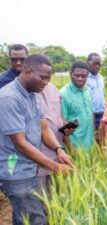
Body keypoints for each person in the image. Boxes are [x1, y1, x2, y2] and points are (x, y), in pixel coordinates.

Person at [0, 54, 74, 225]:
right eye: (43, 77)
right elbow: (20, 143)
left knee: (23, 216)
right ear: (28, 72)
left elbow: (44, 127)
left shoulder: (32, 94)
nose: (47, 82)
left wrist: (59, 149)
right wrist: (55, 167)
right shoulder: (9, 98)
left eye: (48, 78)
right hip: (15, 171)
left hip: (28, 167)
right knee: (35, 219)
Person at [36, 82, 75, 194]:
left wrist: (67, 127)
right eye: (42, 76)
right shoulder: (27, 92)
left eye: (47, 76)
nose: (44, 80)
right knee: (42, 192)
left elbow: (59, 114)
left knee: (58, 191)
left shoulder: (53, 88)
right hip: (40, 155)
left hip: (58, 150)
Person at [60, 61, 95, 151]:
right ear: (70, 74)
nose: (80, 79)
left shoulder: (88, 90)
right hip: (75, 145)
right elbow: (62, 125)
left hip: (90, 142)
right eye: (76, 75)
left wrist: (94, 134)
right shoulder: (63, 94)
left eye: (84, 76)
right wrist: (70, 149)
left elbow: (91, 113)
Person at [86, 53, 105, 131]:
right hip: (91, 114)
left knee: (102, 137)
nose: (97, 66)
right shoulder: (84, 78)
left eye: (99, 64)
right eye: (95, 63)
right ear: (88, 63)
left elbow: (103, 95)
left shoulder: (101, 77)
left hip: (103, 113)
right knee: (93, 135)